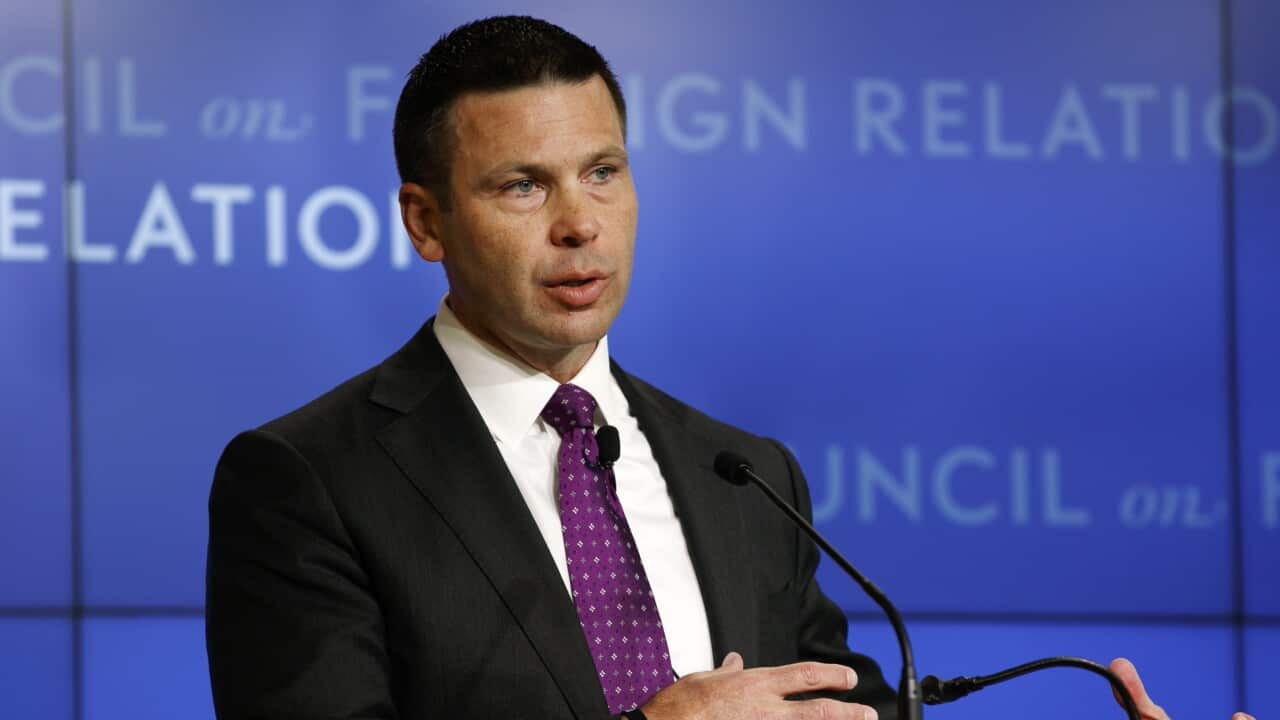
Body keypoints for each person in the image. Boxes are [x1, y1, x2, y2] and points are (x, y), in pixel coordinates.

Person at [205, 15, 1255, 720]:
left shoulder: (744, 475)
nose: (580, 225)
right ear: (425, 222)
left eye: (602, 173)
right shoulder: (309, 481)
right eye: (522, 187)